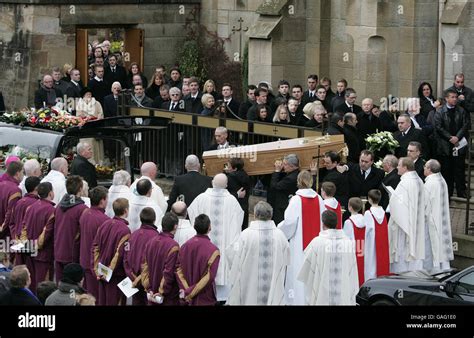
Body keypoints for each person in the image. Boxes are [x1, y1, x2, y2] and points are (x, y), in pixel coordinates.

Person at [188, 174, 243, 302]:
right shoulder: (232, 201)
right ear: (226, 185)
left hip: (203, 248)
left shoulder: (201, 198)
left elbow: (192, 214)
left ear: (212, 182)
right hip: (223, 250)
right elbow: (237, 223)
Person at [226, 202, 290, 305]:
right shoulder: (280, 236)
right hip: (273, 287)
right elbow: (286, 261)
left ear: (255, 215)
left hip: (249, 287)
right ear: (270, 216)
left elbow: (232, 255)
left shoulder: (245, 235)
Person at [277, 170, 326, 305]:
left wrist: (278, 231)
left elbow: (289, 223)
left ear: (298, 181)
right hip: (315, 243)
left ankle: (296, 301)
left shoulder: (296, 199)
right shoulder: (319, 199)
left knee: (297, 273)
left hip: (299, 244)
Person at [297, 210, 359, 305]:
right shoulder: (348, 243)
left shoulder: (317, 242)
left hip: (322, 295)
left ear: (323, 223)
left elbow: (307, 269)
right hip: (342, 295)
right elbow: (352, 271)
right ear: (336, 223)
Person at [388, 157, 425, 273]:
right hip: (416, 222)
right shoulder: (418, 180)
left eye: (399, 165)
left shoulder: (405, 183)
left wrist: (392, 197)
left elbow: (398, 205)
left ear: (405, 167)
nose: (397, 168)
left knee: (403, 250)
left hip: (404, 226)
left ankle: (401, 273)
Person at [92, 198, 131, 306]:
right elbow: (119, 254)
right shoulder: (125, 230)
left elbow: (95, 247)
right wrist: (109, 271)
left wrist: (97, 269)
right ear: (126, 211)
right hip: (115, 276)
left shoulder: (104, 224)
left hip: (101, 272)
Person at [433, 89, 471, 198]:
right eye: (452, 97)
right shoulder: (440, 111)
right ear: (446, 98)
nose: (455, 99)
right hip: (445, 145)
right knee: (447, 170)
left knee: (459, 168)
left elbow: (465, 125)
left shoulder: (461, 110)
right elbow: (438, 127)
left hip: (459, 144)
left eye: (456, 97)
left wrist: (457, 137)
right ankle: (447, 193)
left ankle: (461, 191)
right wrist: (450, 138)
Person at [176, 214, 220, 306]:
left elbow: (178, 270)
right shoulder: (213, 250)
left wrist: (187, 291)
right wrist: (192, 292)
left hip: (186, 297)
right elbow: (210, 277)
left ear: (194, 227)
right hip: (205, 298)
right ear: (210, 227)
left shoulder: (184, 246)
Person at [22, 182, 55, 294]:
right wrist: (36, 246)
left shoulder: (30, 207)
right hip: (43, 255)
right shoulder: (51, 210)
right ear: (51, 193)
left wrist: (28, 245)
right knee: (43, 287)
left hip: (30, 252)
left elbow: (24, 229)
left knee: (32, 284)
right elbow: (46, 233)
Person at [54, 176, 88, 282]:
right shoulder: (82, 209)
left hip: (58, 250)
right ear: (80, 189)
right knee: (73, 286)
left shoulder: (59, 206)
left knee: (60, 284)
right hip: (72, 253)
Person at [141, 213, 180, 306]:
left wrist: (149, 288)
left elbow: (144, 267)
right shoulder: (173, 246)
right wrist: (161, 291)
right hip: (165, 297)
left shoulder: (150, 242)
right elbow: (168, 272)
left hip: (151, 293)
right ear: (175, 226)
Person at [124, 207, 160, 305]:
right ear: (154, 220)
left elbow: (126, 258)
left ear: (140, 219)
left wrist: (133, 277)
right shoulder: (157, 237)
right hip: (149, 282)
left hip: (134, 278)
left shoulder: (133, 235)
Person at [423, 160, 454, 273]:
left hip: (432, 219)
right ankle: (443, 267)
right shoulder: (441, 180)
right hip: (441, 217)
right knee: (441, 243)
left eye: (425, 167)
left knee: (433, 244)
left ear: (430, 169)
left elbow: (424, 202)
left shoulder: (430, 183)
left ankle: (434, 269)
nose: (424, 168)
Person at [79, 186, 109, 299]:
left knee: (87, 296)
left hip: (84, 260)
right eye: (107, 198)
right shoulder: (104, 220)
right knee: (96, 297)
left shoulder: (85, 213)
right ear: (102, 201)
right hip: (96, 265)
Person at [9, 177, 40, 265]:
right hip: (30, 245)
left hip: (18, 243)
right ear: (36, 188)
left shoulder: (19, 202)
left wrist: (16, 237)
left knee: (20, 271)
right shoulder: (36, 204)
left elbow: (12, 223)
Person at [363, 189, 390, 281]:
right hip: (382, 241)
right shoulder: (383, 212)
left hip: (371, 242)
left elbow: (366, 230)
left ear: (369, 199)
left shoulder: (368, 213)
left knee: (371, 261)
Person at [342, 197, 367, 286]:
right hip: (362, 248)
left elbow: (346, 239)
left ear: (350, 207)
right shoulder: (364, 219)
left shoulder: (349, 222)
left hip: (353, 249)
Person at [270, 154, 300, 224]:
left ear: (292, 166)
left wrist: (277, 171)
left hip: (282, 209)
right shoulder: (294, 173)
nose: (283, 166)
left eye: (285, 164)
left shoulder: (291, 178)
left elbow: (274, 186)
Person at [225, 157, 251, 230]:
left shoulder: (229, 178)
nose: (227, 168)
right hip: (244, 206)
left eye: (229, 166)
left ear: (235, 169)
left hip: (233, 208)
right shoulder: (246, 176)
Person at [0, 161, 23, 240]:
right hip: (5, 234)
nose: (23, 175)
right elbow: (10, 213)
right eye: (22, 172)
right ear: (17, 173)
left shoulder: (1, 184)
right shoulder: (15, 190)